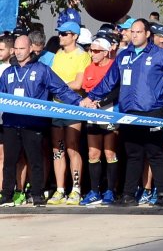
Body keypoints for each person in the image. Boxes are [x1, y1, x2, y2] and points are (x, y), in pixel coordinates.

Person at [83, 19, 163, 207]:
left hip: (152, 111)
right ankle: (128, 195)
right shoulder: (124, 56)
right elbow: (109, 81)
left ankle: (162, 194)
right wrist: (91, 97)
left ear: (147, 34)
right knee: (133, 154)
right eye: (132, 32)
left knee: (155, 153)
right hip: (129, 111)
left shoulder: (160, 55)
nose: (134, 35)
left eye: (138, 32)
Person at [0, 35, 82, 207]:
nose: (18, 52)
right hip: (11, 123)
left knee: (35, 160)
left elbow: (60, 89)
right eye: (16, 48)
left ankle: (37, 194)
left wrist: (79, 102)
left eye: (22, 48)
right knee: (9, 161)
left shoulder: (42, 69)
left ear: (31, 49)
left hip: (33, 123)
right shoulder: (8, 72)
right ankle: (6, 195)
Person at [48, 21, 90, 205]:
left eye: (65, 34)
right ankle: (60, 190)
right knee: (58, 149)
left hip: (73, 107)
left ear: (75, 36)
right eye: (60, 33)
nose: (61, 36)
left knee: (72, 147)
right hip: (56, 106)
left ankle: (76, 189)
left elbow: (78, 84)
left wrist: (58, 87)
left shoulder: (82, 55)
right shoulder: (58, 54)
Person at [79, 33, 118, 207]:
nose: (92, 53)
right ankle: (94, 191)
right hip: (92, 114)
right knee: (93, 153)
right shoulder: (89, 68)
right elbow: (87, 91)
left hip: (109, 112)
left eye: (96, 51)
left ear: (106, 52)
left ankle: (110, 190)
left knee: (110, 153)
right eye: (91, 50)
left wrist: (100, 103)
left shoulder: (113, 66)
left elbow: (116, 91)